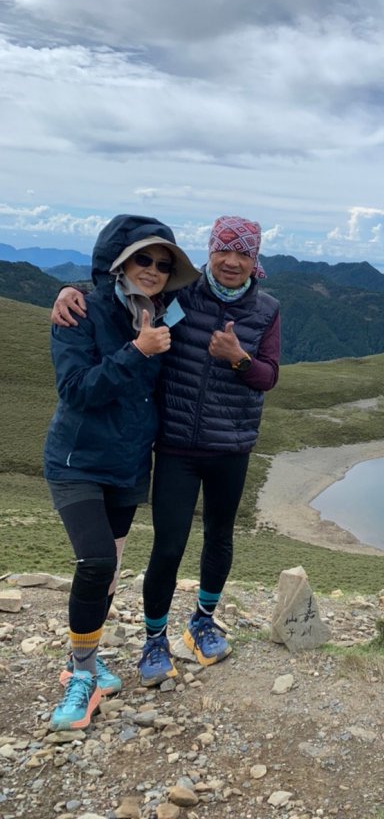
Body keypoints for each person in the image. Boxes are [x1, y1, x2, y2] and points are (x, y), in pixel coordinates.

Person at [52, 215, 280, 687]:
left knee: (219, 537)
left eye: (244, 253)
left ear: (255, 260)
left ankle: (202, 620)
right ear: (210, 252)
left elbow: (268, 377)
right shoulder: (179, 298)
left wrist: (238, 358)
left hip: (232, 444)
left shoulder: (267, 309)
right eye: (224, 250)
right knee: (168, 545)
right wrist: (68, 289)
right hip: (176, 444)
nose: (233, 261)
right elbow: (121, 288)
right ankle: (154, 639)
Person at [45, 215, 199, 730]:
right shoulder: (82, 311)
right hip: (77, 461)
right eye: (142, 259)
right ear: (118, 261)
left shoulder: (161, 313)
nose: (153, 270)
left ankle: (82, 658)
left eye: (163, 263)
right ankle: (82, 677)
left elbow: (223, 300)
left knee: (108, 571)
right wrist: (136, 351)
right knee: (92, 562)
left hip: (130, 465)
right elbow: (76, 389)